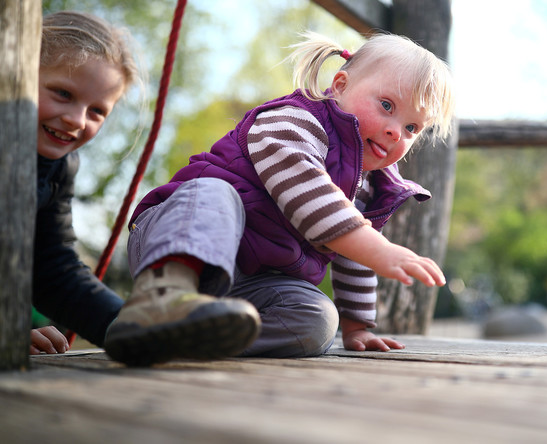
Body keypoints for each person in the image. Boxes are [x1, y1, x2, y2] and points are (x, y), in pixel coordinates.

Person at [104, 31, 456, 367]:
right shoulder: (293, 123)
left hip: (249, 284)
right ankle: (161, 298)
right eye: (386, 105)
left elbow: (355, 248)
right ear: (340, 86)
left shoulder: (370, 184)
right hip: (173, 241)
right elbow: (315, 202)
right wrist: (379, 250)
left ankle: (192, 335)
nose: (397, 131)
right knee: (214, 192)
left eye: (412, 128)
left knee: (317, 320)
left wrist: (356, 325)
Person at [30, 11, 141, 354]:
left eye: (97, 111)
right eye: (62, 93)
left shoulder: (59, 166)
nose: (76, 120)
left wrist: (131, 328)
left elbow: (53, 268)